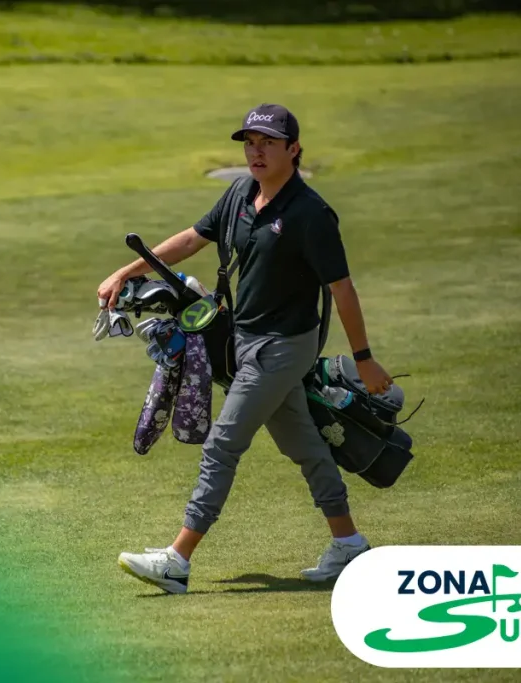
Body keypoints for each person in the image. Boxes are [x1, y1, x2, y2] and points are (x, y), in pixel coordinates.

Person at [97, 103, 393, 594]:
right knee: (304, 445)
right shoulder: (240, 193)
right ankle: (349, 544)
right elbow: (192, 239)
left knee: (223, 444)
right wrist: (126, 272)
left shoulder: (311, 214)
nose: (256, 152)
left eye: (268, 143)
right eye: (250, 143)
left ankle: (177, 561)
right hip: (245, 340)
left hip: (283, 348)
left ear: (293, 150)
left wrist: (364, 359)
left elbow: (342, 289)